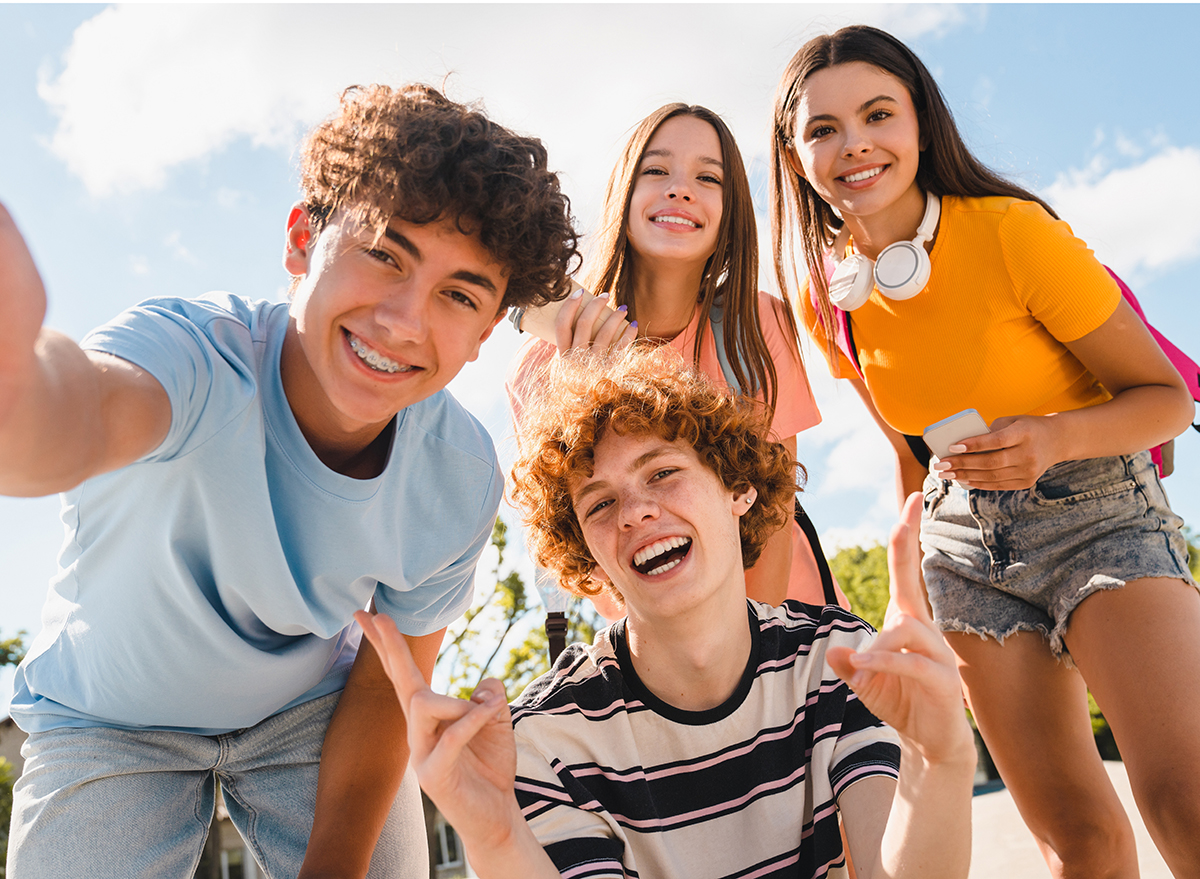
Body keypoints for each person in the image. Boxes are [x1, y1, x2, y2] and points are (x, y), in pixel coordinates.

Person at [1, 83, 578, 879]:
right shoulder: (192, 357)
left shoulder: (457, 475)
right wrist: (14, 385)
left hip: (306, 716)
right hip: (110, 714)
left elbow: (387, 682)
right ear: (302, 243)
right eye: (384, 252)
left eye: (458, 294)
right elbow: (76, 413)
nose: (404, 320)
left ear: (484, 333)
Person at [769, 25, 1200, 877]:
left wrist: (1053, 438)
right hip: (960, 548)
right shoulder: (830, 296)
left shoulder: (1009, 232)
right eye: (822, 129)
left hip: (1096, 512)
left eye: (877, 114)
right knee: (1074, 837)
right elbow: (907, 453)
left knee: (1185, 802)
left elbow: (1167, 404)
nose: (853, 143)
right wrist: (906, 591)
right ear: (796, 157)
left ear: (920, 126)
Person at [359, 347, 976, 879]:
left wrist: (939, 758)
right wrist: (497, 841)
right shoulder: (545, 741)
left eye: (663, 473)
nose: (633, 512)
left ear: (738, 488)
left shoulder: (838, 660)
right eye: (598, 504)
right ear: (586, 553)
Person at [508, 103, 843, 611]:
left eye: (708, 178)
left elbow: (775, 510)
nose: (680, 189)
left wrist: (757, 656)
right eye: (657, 170)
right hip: (662, 658)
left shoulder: (755, 325)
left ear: (729, 213)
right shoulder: (540, 371)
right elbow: (587, 552)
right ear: (625, 192)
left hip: (788, 628)